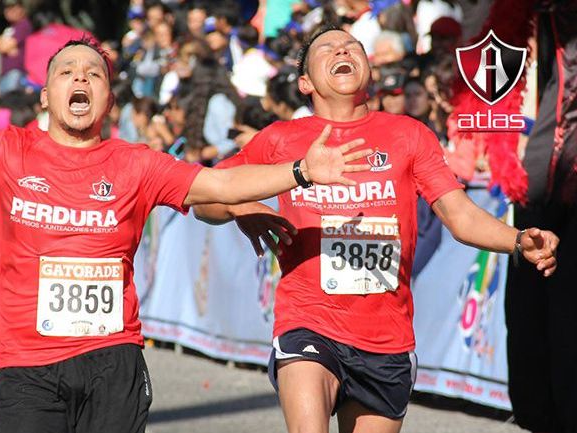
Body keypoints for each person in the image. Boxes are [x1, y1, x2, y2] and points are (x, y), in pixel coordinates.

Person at [0, 38, 374, 433]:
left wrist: (300, 172)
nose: (81, 79)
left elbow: (220, 184)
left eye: (94, 74)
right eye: (67, 73)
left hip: (115, 361)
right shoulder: (4, 151)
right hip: (26, 366)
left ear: (108, 98)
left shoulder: (136, 163)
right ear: (45, 96)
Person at [192, 26, 559, 433]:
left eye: (352, 46)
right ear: (305, 82)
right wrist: (242, 208)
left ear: (368, 69)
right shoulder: (280, 139)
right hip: (308, 320)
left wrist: (518, 241)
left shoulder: (409, 136)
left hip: (386, 338)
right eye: (327, 49)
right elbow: (203, 198)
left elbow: (460, 216)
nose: (342, 50)